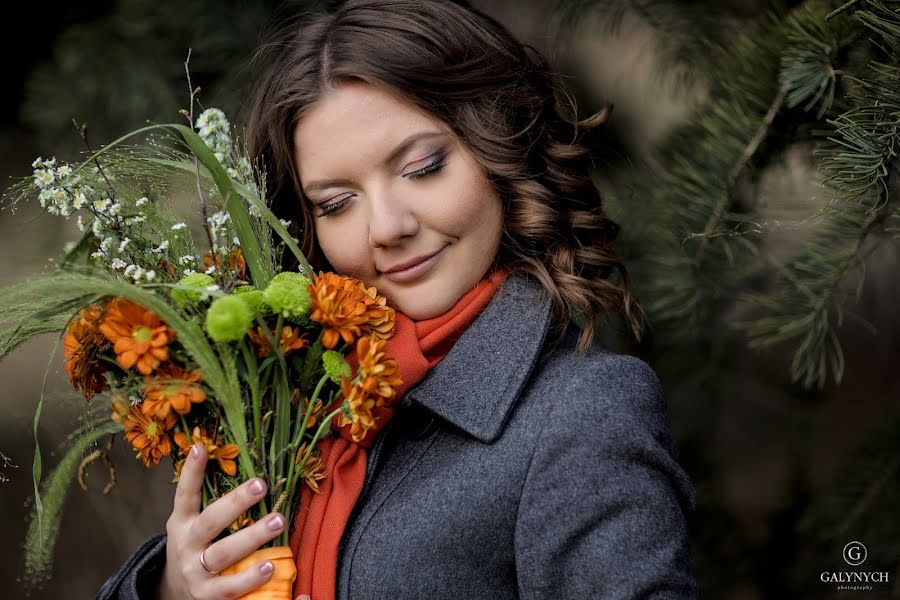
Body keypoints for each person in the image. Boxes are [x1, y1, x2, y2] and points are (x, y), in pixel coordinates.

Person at [97, 1, 699, 598]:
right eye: (336, 203)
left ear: (499, 147)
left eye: (422, 167)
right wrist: (171, 588)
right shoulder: (289, 403)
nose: (386, 227)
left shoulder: (581, 412)